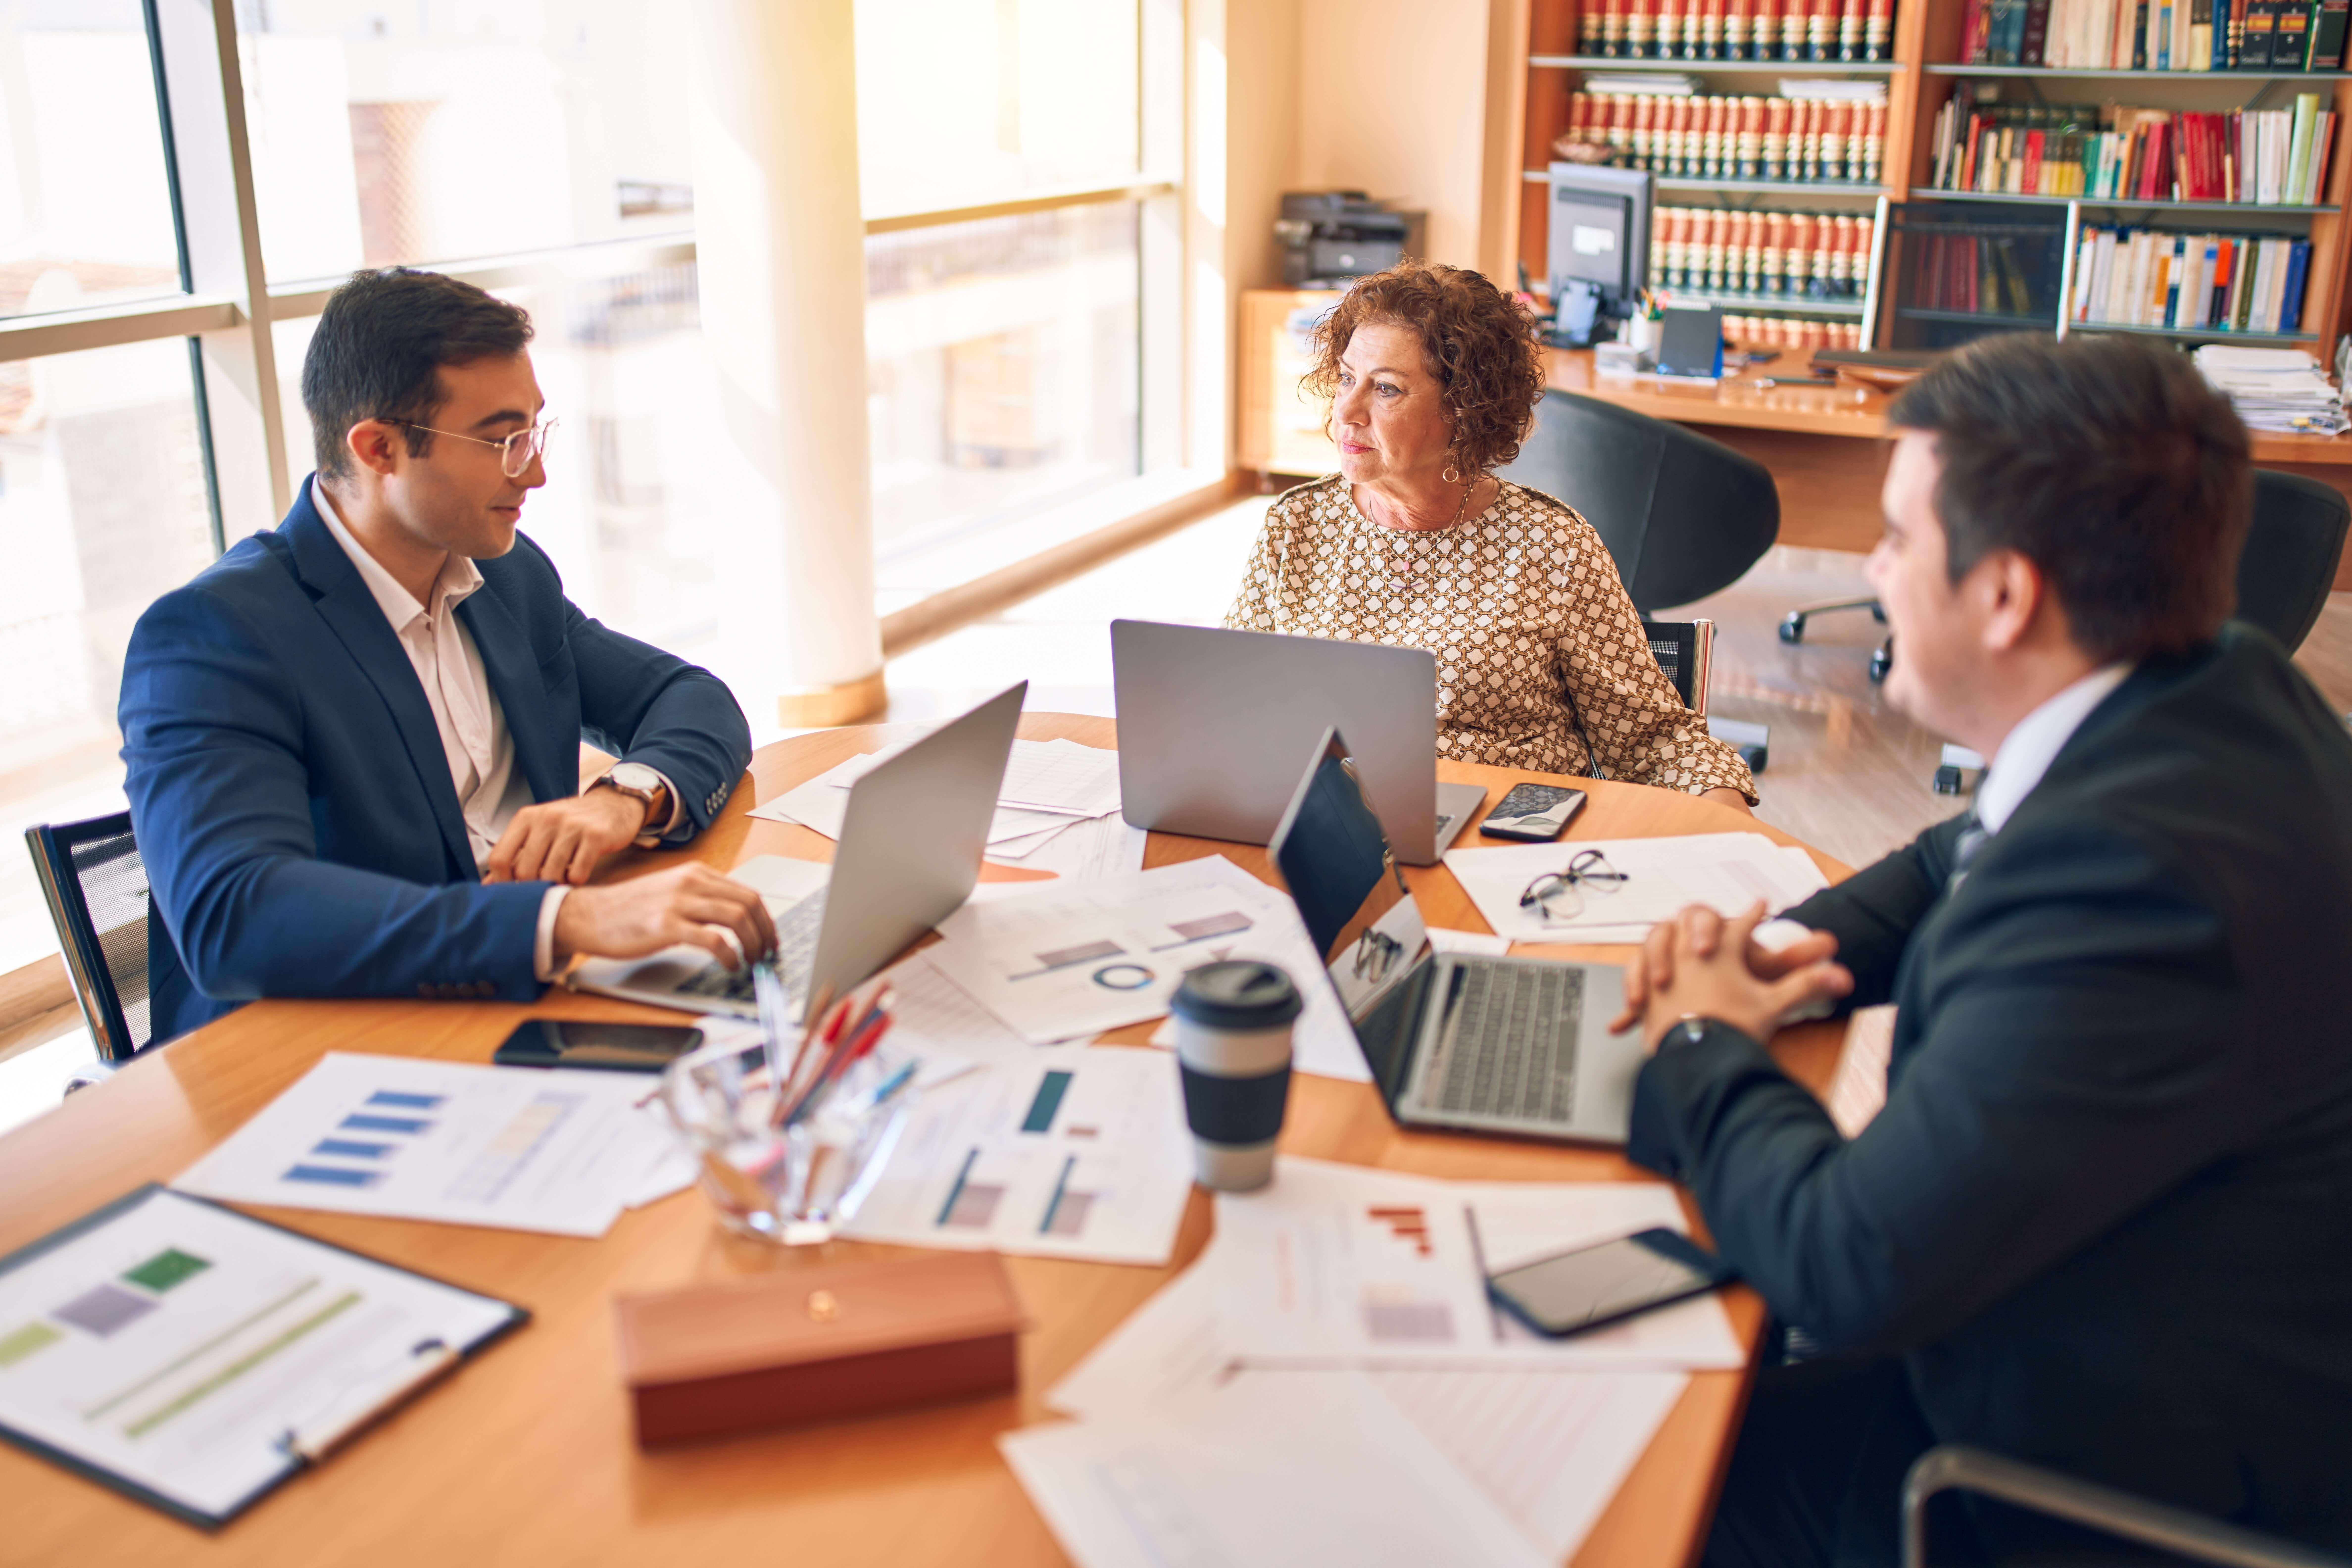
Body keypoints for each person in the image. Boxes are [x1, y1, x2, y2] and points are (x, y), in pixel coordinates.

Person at [1612, 332, 2352, 1564]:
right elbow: (1949, 860)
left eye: (1897, 537)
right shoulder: (2211, 681)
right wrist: (1782, 949)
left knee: (1627, 1481)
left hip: (2079, 1477)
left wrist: (1700, 1035)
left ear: (2005, 595)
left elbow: (1844, 1268)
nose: (1869, 564)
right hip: (2098, 1300)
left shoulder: (2133, 894)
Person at [120, 268, 776, 1044]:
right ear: (379, 448)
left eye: (535, 431)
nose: (535, 472)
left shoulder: (504, 574)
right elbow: (236, 913)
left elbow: (689, 697)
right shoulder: (213, 636)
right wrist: (563, 919)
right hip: (331, 1053)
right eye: (503, 441)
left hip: (533, 1002)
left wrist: (617, 801)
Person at [1224, 261, 1755, 808]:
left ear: (1464, 410)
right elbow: (1233, 698)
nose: (1348, 411)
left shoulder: (1554, 548)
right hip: (1334, 827)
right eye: (1345, 378)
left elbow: (1658, 743)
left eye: (1386, 388)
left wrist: (1728, 826)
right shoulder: (1297, 525)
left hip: (1502, 835)